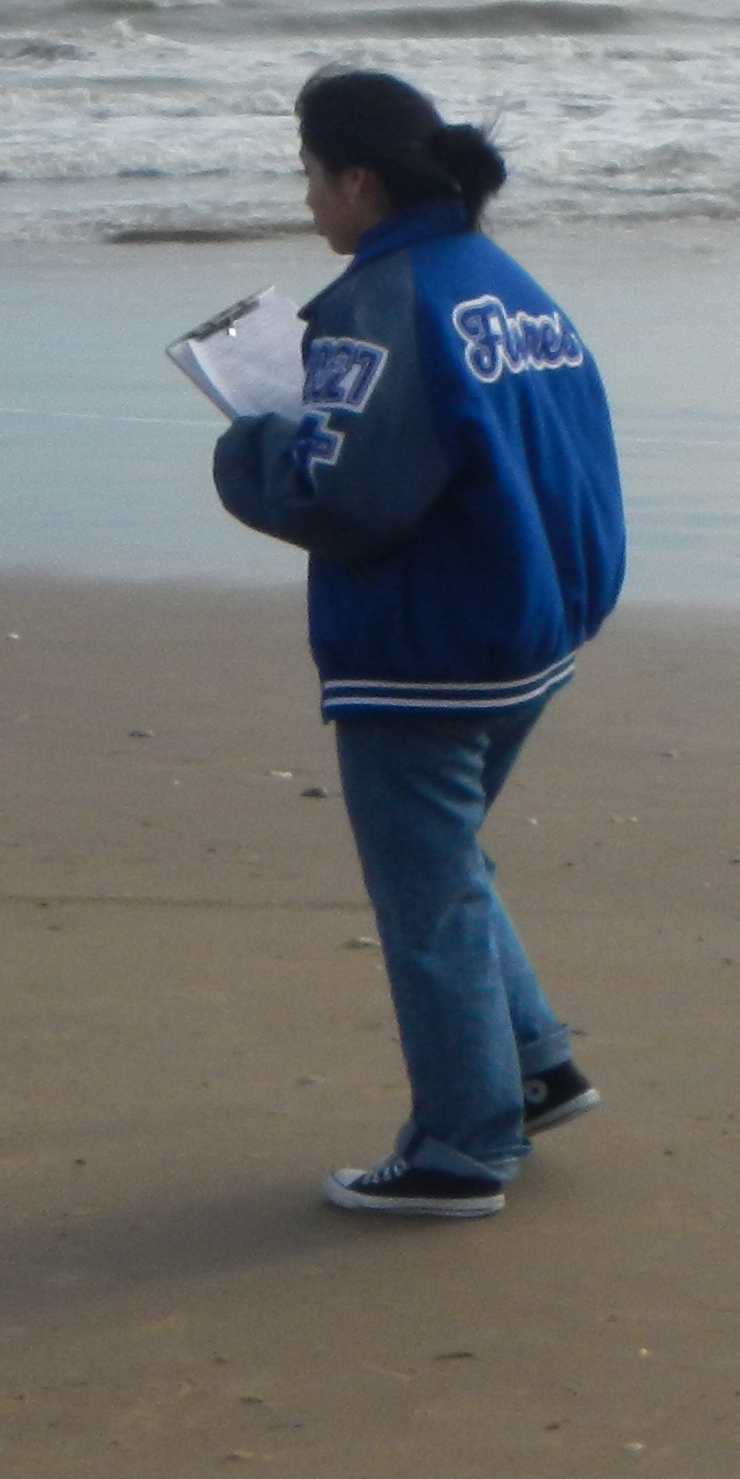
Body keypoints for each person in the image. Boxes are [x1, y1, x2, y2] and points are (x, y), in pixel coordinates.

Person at [213, 69, 626, 1220]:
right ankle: (530, 1063)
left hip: (429, 645)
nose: (306, 202)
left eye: (308, 175)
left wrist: (246, 451)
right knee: (448, 862)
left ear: (356, 177)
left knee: (426, 888)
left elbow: (348, 495)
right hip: (529, 621)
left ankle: (462, 1141)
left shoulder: (382, 298)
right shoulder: (505, 282)